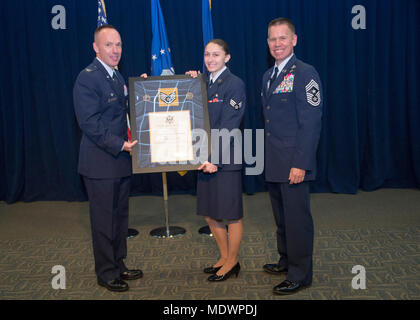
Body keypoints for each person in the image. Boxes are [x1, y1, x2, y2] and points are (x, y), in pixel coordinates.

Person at [73, 25, 142, 292]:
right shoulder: (87, 78)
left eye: (118, 45)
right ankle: (106, 272)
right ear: (96, 48)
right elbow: (89, 123)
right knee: (103, 221)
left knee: (120, 219)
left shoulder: (116, 77)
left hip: (120, 161)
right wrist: (120, 144)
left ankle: (118, 264)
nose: (115, 50)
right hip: (100, 163)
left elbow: (122, 112)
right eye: (109, 45)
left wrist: (143, 91)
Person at [261, 18, 323, 295]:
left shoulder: (306, 73)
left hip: (294, 163)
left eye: (282, 38)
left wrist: (301, 163)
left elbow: (311, 122)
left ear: (294, 40)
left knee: (297, 219)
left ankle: (300, 274)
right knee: (282, 218)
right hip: (274, 160)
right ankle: (286, 260)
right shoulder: (267, 76)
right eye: (273, 39)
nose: (277, 44)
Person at [187, 39, 246, 282]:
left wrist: (215, 160)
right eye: (207, 54)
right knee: (211, 214)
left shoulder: (234, 84)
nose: (211, 59)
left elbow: (229, 126)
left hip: (224, 160)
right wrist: (188, 80)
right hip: (204, 159)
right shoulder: (203, 83)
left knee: (231, 214)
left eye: (216, 54)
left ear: (227, 57)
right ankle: (223, 257)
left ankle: (233, 261)